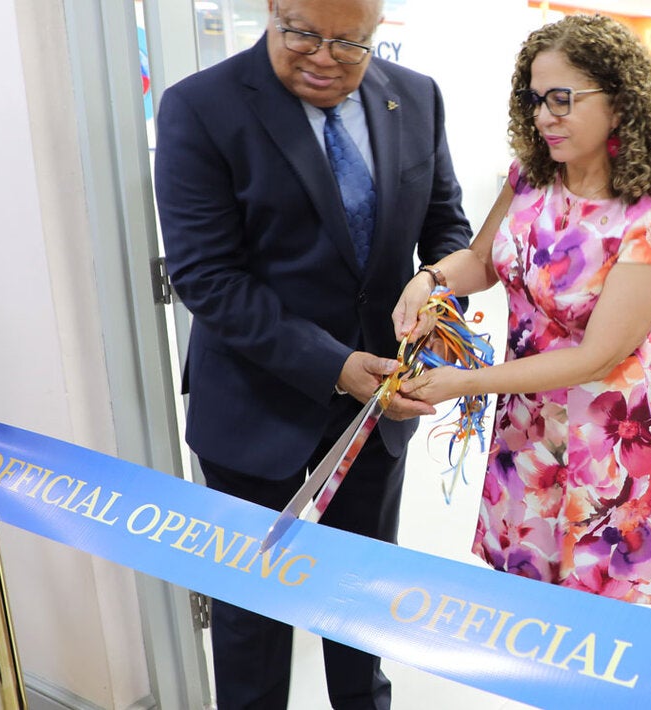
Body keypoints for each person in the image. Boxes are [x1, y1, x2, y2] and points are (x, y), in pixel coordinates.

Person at [153, 0, 472, 706]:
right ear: (271, 9)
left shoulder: (413, 97)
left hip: (379, 408)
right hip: (252, 405)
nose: (324, 56)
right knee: (253, 620)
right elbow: (207, 275)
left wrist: (434, 291)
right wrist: (331, 365)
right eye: (300, 32)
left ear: (377, 27)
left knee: (361, 603)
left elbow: (448, 227)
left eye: (349, 42)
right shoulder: (201, 108)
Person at [392, 14, 651, 606]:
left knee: (597, 616)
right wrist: (429, 282)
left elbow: (594, 358)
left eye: (563, 99)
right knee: (530, 609)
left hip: (604, 438)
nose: (543, 116)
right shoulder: (531, 179)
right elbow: (482, 263)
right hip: (526, 425)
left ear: (620, 102)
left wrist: (464, 383)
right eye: (535, 100)